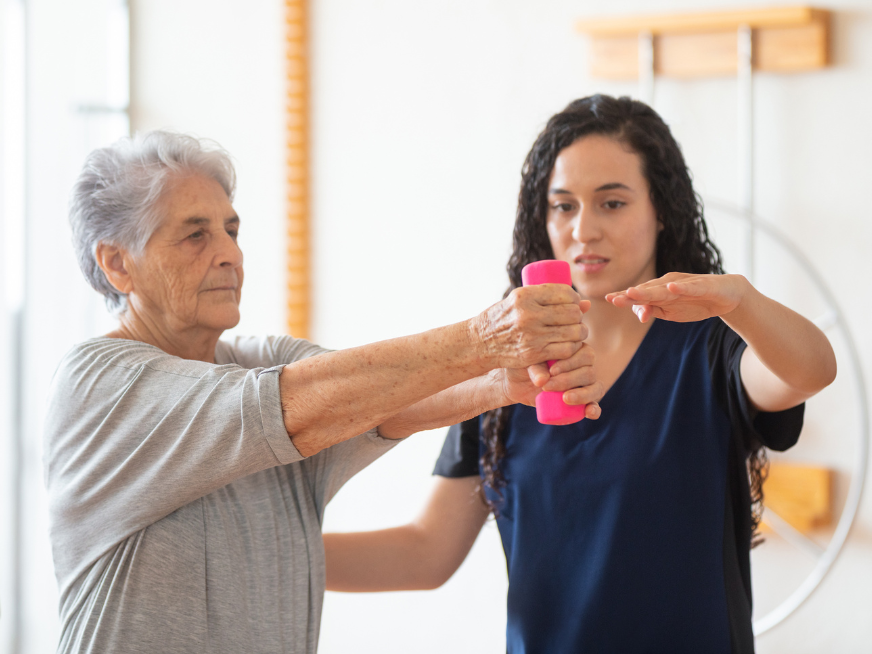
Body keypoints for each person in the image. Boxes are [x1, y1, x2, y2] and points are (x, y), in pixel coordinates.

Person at [44, 130, 601, 654]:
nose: (230, 255)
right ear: (118, 264)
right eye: (196, 234)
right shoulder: (98, 384)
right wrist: (484, 340)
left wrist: (500, 383)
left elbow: (374, 402)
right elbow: (288, 408)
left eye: (232, 231)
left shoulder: (265, 362)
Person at [322, 95, 837, 654]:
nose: (583, 230)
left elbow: (810, 370)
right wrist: (267, 549)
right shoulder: (508, 373)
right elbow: (426, 552)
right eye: (563, 206)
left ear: (660, 210)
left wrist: (740, 299)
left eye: (612, 203)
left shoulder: (711, 351)